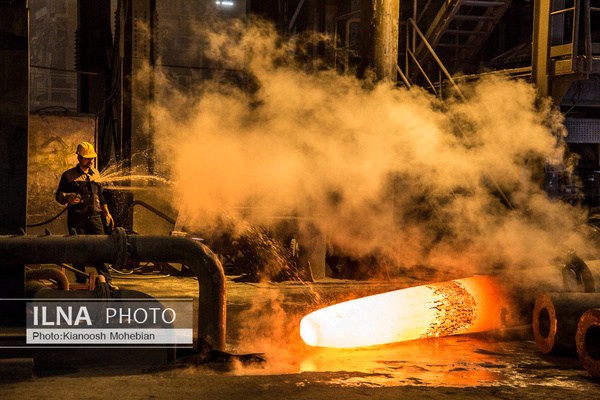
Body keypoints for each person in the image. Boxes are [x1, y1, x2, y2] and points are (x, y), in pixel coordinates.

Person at [55, 142, 117, 290]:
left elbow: (100, 195)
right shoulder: (68, 176)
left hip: (95, 217)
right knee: (78, 250)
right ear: (79, 157)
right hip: (77, 219)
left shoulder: (95, 174)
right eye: (87, 158)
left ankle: (107, 282)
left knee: (102, 248)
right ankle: (81, 282)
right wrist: (67, 198)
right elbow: (58, 196)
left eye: (92, 158)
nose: (90, 161)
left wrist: (106, 212)